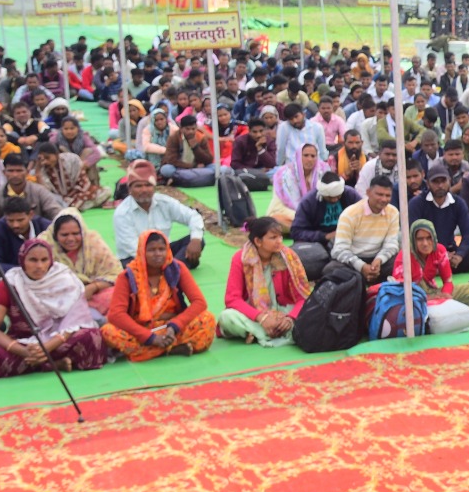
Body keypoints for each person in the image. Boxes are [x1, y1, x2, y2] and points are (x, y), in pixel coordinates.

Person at [0, 238, 106, 379]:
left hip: (60, 341)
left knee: (92, 336)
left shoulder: (65, 279)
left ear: (51, 260)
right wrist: (24, 351)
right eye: (33, 260)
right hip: (23, 343)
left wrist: (47, 347)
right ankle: (52, 364)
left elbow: (74, 323)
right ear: (22, 260)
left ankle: (38, 364)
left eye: (44, 260)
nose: (39, 266)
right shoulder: (10, 283)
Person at [102, 230, 217, 361]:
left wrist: (175, 326)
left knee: (207, 319)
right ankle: (171, 348)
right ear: (142, 252)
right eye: (152, 250)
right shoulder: (128, 276)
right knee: (108, 332)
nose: (157, 254)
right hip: (141, 331)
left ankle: (150, 351)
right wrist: (150, 338)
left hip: (172, 329)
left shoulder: (177, 268)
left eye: (162, 249)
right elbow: (116, 314)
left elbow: (199, 302)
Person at [220, 216, 311, 346]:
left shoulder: (289, 257)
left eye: (280, 236)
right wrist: (261, 318)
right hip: (253, 314)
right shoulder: (241, 259)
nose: (279, 241)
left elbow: (303, 297)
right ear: (258, 241)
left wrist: (290, 318)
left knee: (312, 313)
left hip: (283, 312)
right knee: (227, 317)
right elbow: (232, 299)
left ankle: (258, 333)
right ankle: (275, 332)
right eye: (273, 238)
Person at [111, 173, 206, 267]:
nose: (144, 190)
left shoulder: (164, 202)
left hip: (162, 253)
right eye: (138, 186)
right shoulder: (122, 213)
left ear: (154, 187)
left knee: (196, 240)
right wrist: (157, 261)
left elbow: (193, 216)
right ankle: (175, 268)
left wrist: (195, 240)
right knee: (129, 268)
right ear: (130, 190)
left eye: (148, 185)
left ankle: (171, 268)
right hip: (135, 257)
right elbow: (132, 248)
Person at [48, 210, 122, 319]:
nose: (71, 239)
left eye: (76, 234)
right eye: (64, 235)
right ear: (55, 235)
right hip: (63, 299)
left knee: (117, 295)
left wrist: (94, 287)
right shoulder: (46, 248)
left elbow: (116, 274)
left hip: (93, 295)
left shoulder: (94, 243)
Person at [394, 220, 469, 313]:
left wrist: (445, 294)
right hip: (413, 298)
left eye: (429, 238)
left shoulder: (440, 250)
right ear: (413, 240)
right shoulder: (404, 256)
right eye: (420, 239)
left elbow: (448, 281)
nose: (425, 243)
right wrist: (427, 298)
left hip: (434, 293)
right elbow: (399, 290)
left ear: (434, 237)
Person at [407, 161, 469, 273]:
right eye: (435, 182)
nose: (440, 185)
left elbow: (468, 235)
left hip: (450, 251)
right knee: (409, 259)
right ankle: (439, 268)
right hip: (425, 252)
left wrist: (459, 256)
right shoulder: (416, 203)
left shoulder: (458, 203)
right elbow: (413, 236)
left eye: (443, 181)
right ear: (428, 184)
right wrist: (438, 255)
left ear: (450, 181)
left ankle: (438, 269)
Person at [331, 175, 400, 284]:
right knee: (332, 269)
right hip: (354, 259)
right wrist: (362, 266)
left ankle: (373, 281)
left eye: (388, 195)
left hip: (378, 260)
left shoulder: (393, 212)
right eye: (379, 194)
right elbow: (340, 249)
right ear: (368, 192)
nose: (384, 199)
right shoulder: (350, 214)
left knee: (402, 261)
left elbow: (391, 244)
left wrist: (379, 260)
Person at [0, 152, 64, 227]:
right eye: (11, 171)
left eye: (19, 171)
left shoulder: (40, 192)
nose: (15, 175)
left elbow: (56, 213)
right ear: (4, 172)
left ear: (27, 172)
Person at [0, 196, 50, 286]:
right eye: (10, 220)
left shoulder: (46, 227)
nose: (15, 225)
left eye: (20, 220)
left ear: (31, 215)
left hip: (44, 271)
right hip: (15, 274)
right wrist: (26, 270)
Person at [34, 141, 111, 212]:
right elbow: (46, 193)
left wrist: (74, 197)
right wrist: (37, 174)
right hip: (60, 200)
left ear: (56, 154)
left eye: (48, 158)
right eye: (43, 159)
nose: (46, 161)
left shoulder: (71, 159)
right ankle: (74, 207)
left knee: (106, 191)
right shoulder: (42, 169)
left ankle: (73, 206)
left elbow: (83, 183)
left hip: (79, 194)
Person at [269, 142, 328, 230]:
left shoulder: (323, 172)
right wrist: (302, 216)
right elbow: (278, 208)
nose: (309, 159)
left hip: (314, 215)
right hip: (290, 213)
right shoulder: (284, 175)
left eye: (313, 156)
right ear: (298, 156)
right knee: (275, 221)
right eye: (306, 155)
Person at [159, 114, 216, 188]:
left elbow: (209, 159)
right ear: (181, 128)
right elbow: (172, 160)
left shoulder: (201, 137)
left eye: (193, 129)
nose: (191, 132)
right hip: (181, 168)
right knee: (166, 169)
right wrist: (193, 166)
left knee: (215, 168)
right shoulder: (174, 138)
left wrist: (195, 148)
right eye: (187, 129)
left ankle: (178, 179)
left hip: (199, 169)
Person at [229, 117, 278, 191]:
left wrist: (260, 149)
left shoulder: (269, 141)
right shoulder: (240, 141)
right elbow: (235, 163)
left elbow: (271, 164)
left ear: (265, 130)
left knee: (278, 170)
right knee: (225, 170)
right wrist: (254, 171)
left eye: (261, 131)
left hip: (264, 172)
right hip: (245, 171)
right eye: (255, 132)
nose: (258, 135)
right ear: (249, 131)